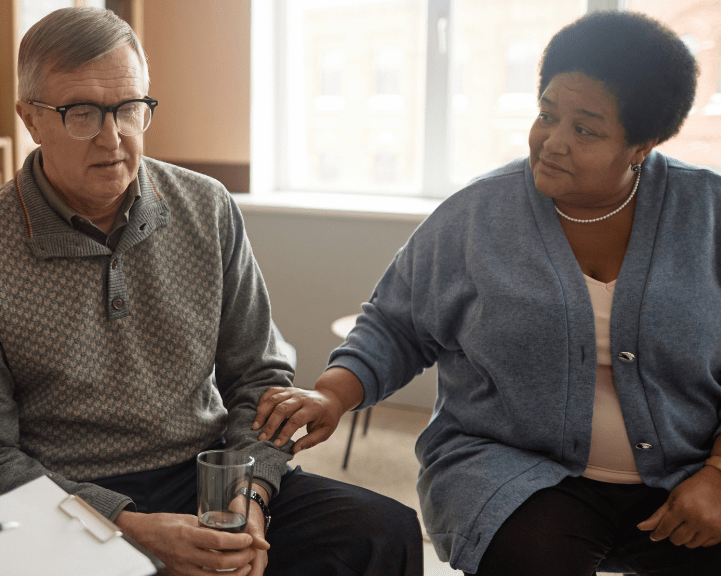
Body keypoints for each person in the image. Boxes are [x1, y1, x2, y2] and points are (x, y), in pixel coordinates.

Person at [0, 6, 422, 576]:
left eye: (130, 109)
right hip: (65, 497)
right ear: (31, 118)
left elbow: (259, 378)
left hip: (207, 472)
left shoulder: (206, 207)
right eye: (82, 113)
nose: (114, 138)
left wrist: (248, 497)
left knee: (382, 532)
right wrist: (126, 529)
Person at [254, 10, 721, 576]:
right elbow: (396, 324)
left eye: (585, 129)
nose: (553, 141)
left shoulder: (707, 215)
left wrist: (717, 475)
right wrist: (332, 394)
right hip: (510, 468)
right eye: (547, 114)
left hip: (690, 473)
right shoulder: (476, 215)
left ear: (642, 144)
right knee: (533, 555)